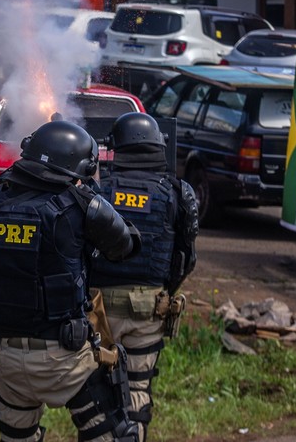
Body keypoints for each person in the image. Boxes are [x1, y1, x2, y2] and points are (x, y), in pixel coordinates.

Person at [0, 120, 142, 442]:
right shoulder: (82, 206)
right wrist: (90, 197)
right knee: (116, 434)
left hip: (5, 357)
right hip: (65, 361)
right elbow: (126, 247)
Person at [92, 113, 199, 442]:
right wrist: (163, 293)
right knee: (136, 390)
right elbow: (186, 258)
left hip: (98, 311)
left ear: (117, 147)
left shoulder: (98, 191)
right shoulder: (178, 192)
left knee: (96, 396)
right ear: (158, 147)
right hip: (148, 310)